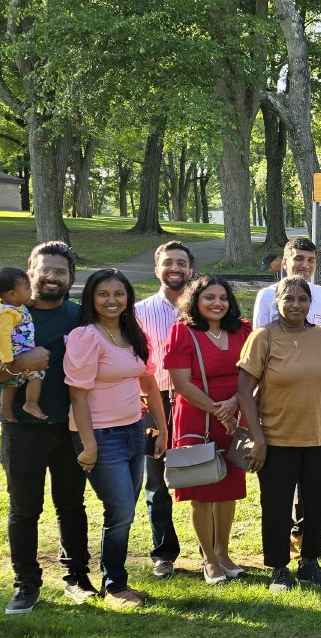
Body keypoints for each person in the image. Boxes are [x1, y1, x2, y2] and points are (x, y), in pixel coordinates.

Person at [0, 241, 93, 614]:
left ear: (71, 278)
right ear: (29, 271)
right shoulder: (7, 313)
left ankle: (77, 577)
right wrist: (19, 362)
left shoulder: (79, 315)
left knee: (71, 506)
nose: (52, 277)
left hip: (70, 426)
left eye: (61, 272)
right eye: (44, 269)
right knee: (24, 509)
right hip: (22, 428)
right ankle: (26, 583)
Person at [238, 276, 321, 592]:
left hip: (319, 439)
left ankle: (310, 563)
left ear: (310, 304)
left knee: (317, 503)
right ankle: (278, 568)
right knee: (276, 505)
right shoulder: (263, 338)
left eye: (302, 299)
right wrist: (258, 438)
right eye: (288, 299)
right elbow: (244, 393)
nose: (296, 305)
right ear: (276, 302)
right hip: (276, 440)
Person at [65, 268, 167, 609]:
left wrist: (162, 428)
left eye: (119, 294)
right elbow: (77, 396)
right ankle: (115, 587)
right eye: (103, 294)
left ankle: (117, 580)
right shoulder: (85, 336)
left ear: (128, 298)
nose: (112, 300)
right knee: (121, 508)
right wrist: (89, 444)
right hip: (100, 436)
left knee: (126, 508)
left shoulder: (132, 333)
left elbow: (149, 383)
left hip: (133, 430)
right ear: (91, 298)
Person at [164, 275, 250, 585]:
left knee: (229, 489)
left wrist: (233, 406)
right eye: (209, 297)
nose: (217, 303)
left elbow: (253, 374)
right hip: (197, 417)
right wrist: (218, 409)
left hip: (236, 413)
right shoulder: (182, 332)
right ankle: (209, 559)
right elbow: (182, 384)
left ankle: (224, 553)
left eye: (223, 297)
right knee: (201, 489)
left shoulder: (243, 330)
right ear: (196, 301)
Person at [133, 240, 194, 579]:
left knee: (201, 474)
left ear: (190, 268)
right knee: (156, 481)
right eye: (168, 262)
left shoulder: (201, 309)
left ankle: (208, 546)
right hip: (152, 403)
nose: (175, 268)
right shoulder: (139, 312)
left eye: (181, 263)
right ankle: (164, 552)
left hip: (194, 403)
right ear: (157, 269)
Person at [0, 268, 45, 421]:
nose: (30, 290)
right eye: (27, 288)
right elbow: (2, 336)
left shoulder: (14, 306)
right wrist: (7, 357)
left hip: (16, 351)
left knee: (13, 381)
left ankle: (5, 408)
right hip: (14, 352)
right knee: (37, 374)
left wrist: (28, 301)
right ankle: (31, 404)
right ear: (12, 294)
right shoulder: (6, 314)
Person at [252, 236, 321, 339]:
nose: (305, 265)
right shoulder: (267, 295)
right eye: (299, 259)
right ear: (285, 263)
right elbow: (259, 340)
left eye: (311, 260)